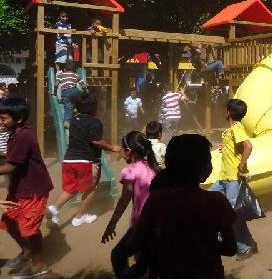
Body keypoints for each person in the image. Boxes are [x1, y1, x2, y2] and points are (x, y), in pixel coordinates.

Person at [128, 134, 237, 278]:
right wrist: (202, 244)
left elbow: (134, 244)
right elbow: (230, 248)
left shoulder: (157, 200)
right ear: (204, 168)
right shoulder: (217, 201)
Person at [46, 93, 121, 227]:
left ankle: (54, 209)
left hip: (69, 160)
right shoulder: (94, 122)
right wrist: (111, 148)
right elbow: (96, 141)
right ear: (94, 108)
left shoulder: (74, 120)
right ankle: (79, 217)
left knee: (70, 188)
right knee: (92, 188)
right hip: (86, 161)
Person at [0, 97, 53, 277]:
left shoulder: (24, 135)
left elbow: (11, 166)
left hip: (33, 190)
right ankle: (27, 252)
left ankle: (39, 266)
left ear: (19, 118)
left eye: (3, 118)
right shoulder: (16, 132)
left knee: (30, 230)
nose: (1, 122)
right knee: (9, 221)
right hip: (20, 188)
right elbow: (12, 154)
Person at [101, 131, 160, 279]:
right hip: (157, 223)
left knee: (117, 255)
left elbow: (124, 200)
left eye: (122, 149)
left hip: (141, 225)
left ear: (128, 151)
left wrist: (111, 224)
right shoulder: (152, 167)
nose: (121, 152)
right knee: (145, 264)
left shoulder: (130, 171)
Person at [209, 99, 257, 260]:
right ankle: (238, 240)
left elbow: (248, 146)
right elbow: (235, 147)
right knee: (209, 203)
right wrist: (223, 148)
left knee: (232, 215)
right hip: (223, 179)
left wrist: (242, 165)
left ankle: (245, 246)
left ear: (228, 112)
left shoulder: (236, 128)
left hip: (233, 180)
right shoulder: (233, 129)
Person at [55, 60, 83, 126]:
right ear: (74, 69)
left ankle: (66, 122)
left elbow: (56, 84)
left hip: (65, 93)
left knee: (68, 106)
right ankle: (77, 108)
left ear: (64, 69)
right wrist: (86, 89)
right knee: (80, 96)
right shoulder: (75, 74)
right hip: (74, 90)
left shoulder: (61, 74)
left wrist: (55, 92)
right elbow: (82, 84)